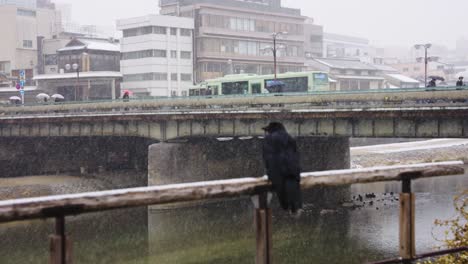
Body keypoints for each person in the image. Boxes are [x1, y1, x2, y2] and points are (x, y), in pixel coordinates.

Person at [262, 122, 303, 215]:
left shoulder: (269, 139)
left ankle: (290, 206)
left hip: (279, 173)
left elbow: (271, 162)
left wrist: (273, 177)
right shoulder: (290, 138)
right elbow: (294, 158)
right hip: (293, 173)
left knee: (283, 196)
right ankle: (295, 206)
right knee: (292, 193)